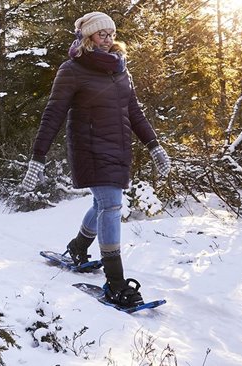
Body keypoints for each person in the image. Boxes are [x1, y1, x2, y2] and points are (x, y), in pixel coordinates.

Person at [19, 12, 171, 308]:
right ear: (88, 37)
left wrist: (155, 146)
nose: (108, 39)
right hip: (89, 147)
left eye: (112, 34)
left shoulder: (120, 70)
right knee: (112, 204)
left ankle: (78, 247)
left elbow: (135, 112)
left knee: (102, 203)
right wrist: (38, 157)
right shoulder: (72, 69)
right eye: (102, 34)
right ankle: (116, 283)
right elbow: (53, 114)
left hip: (118, 147)